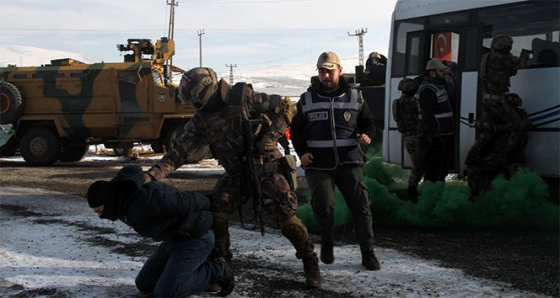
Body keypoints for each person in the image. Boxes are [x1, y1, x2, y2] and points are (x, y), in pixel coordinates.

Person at [144, 67, 321, 289]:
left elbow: (285, 107)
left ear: (207, 90)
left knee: (288, 220)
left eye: (197, 99)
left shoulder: (243, 98)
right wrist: (152, 175)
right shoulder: (201, 121)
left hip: (266, 168)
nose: (196, 105)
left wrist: (269, 139)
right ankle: (222, 267)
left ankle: (309, 260)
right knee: (216, 216)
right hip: (237, 174)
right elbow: (178, 153)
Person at [290, 51, 381, 271]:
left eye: (330, 71)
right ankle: (328, 242)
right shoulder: (307, 99)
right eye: (322, 71)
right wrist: (301, 152)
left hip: (349, 160)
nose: (326, 76)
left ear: (339, 71)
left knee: (361, 205)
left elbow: (369, 123)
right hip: (318, 163)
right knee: (325, 205)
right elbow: (296, 131)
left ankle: (368, 252)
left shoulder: (355, 97)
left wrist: (366, 134)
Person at [86, 164, 234, 297]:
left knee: (166, 292)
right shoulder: (123, 206)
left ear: (109, 202)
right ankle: (195, 270)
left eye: (99, 211)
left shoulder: (147, 200)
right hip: (173, 239)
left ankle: (217, 269)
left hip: (195, 237)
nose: (101, 217)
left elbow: (190, 201)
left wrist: (209, 204)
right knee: (144, 284)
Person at [415, 58, 455, 183]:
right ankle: (429, 196)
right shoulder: (427, 89)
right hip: (434, 136)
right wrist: (434, 136)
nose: (444, 74)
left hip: (442, 134)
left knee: (441, 169)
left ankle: (436, 194)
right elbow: (428, 115)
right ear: (432, 72)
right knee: (433, 170)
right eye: (441, 71)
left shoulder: (436, 86)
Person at [391, 78, 423, 201]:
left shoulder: (397, 103)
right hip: (415, 136)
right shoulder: (415, 102)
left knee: (418, 164)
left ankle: (412, 189)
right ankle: (411, 190)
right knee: (419, 165)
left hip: (406, 137)